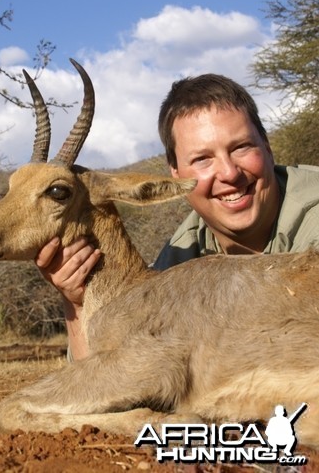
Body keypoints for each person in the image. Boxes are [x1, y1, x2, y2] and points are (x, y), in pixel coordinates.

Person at [36, 74, 319, 360]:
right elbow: (102, 383)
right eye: (202, 159)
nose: (230, 173)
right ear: (176, 174)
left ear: (268, 149)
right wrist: (77, 302)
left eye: (241, 147)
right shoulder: (180, 257)